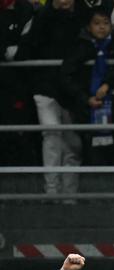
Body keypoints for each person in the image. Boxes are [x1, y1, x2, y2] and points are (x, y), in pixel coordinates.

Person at [17, 0, 83, 195]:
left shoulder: (82, 16)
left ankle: (70, 195)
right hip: (45, 87)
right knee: (52, 136)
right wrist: (48, 11)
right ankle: (52, 192)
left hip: (73, 89)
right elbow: (26, 48)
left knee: (73, 143)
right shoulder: (41, 17)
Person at [59, 8, 114, 166]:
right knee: (91, 155)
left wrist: (108, 84)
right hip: (88, 110)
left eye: (106, 23)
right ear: (88, 27)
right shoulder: (80, 46)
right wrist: (86, 99)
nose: (102, 27)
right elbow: (66, 75)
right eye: (97, 23)